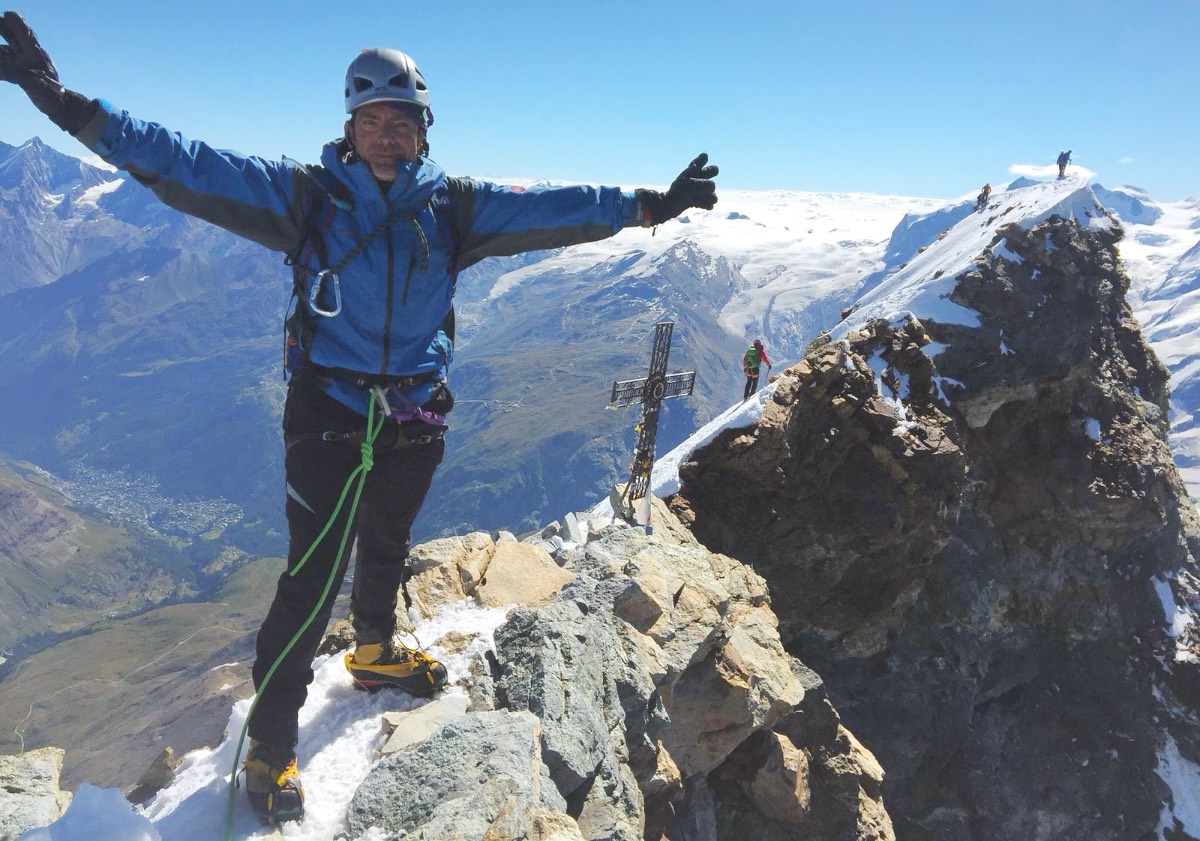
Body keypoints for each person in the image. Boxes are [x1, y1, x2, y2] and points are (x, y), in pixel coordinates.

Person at [0, 12, 718, 825]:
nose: (386, 136)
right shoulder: (305, 199)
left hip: (414, 412)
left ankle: (374, 649)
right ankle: (272, 742)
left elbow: (555, 205)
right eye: (372, 121)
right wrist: (62, 104)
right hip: (328, 413)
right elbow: (178, 161)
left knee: (386, 541)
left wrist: (656, 204)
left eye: (401, 121)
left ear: (423, 129)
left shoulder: (454, 208)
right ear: (349, 128)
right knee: (310, 577)